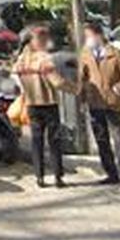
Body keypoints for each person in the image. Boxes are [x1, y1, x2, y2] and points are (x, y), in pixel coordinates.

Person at [78, 23, 120, 192]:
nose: (87, 40)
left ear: (99, 35)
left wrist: (117, 89)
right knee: (102, 141)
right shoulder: (86, 54)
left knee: (118, 140)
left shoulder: (115, 54)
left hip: (112, 103)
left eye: (89, 36)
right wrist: (82, 99)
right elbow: (83, 78)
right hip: (95, 103)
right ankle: (111, 173)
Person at [13, 26, 69, 188]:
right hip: (49, 103)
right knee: (54, 141)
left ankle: (39, 177)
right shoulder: (45, 59)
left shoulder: (22, 60)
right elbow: (57, 81)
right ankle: (58, 176)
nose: (47, 42)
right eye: (44, 39)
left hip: (31, 104)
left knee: (36, 142)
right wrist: (74, 87)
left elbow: (16, 75)